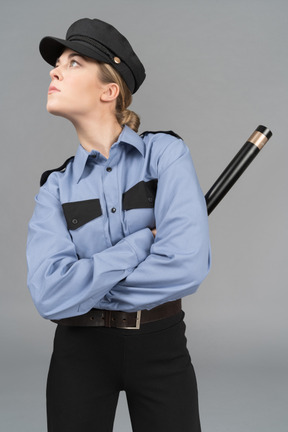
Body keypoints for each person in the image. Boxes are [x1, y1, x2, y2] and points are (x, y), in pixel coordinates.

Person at [26, 17, 211, 432]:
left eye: (74, 63)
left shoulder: (165, 155)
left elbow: (186, 264)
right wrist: (141, 243)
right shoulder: (55, 187)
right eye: (57, 63)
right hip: (80, 354)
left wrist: (85, 287)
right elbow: (48, 294)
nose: (55, 71)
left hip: (160, 344)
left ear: (109, 91)